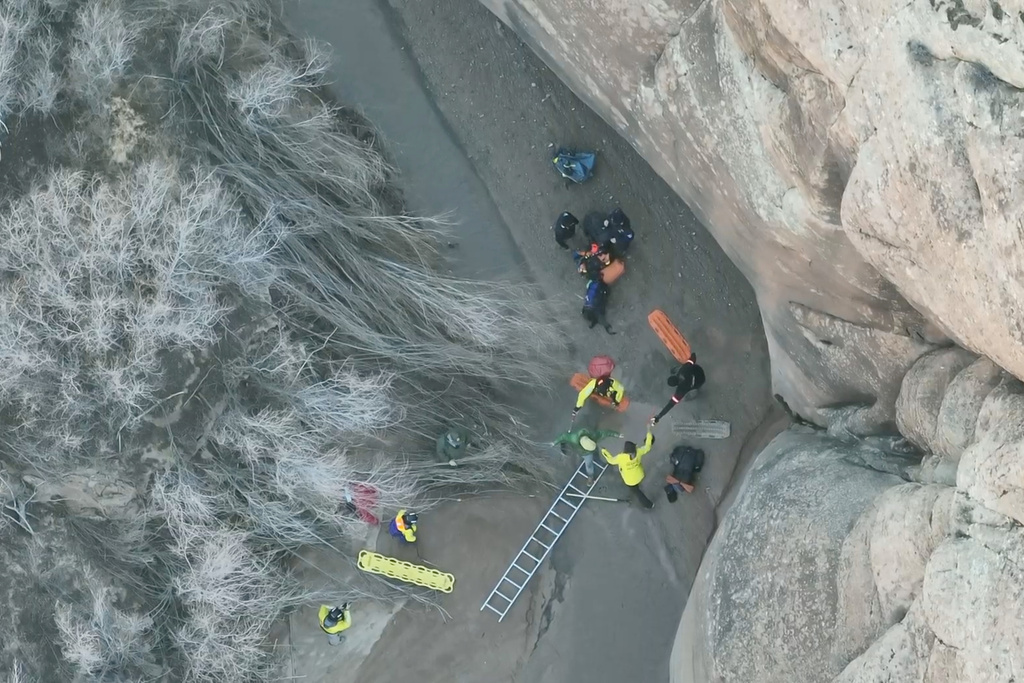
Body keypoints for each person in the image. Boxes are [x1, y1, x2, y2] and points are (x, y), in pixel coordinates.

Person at [601, 427, 655, 509]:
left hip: (630, 480)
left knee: (637, 492)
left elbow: (611, 460)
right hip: (640, 474)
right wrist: (649, 433)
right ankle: (648, 504)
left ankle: (649, 505)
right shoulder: (639, 452)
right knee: (636, 488)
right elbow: (647, 447)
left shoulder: (621, 457)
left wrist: (604, 451)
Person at [553, 426, 621, 484]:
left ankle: (590, 476)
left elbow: (604, 433)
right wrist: (554, 442)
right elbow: (563, 436)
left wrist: (616, 434)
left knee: (589, 464)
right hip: (578, 450)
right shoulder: (573, 438)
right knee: (572, 454)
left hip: (587, 454)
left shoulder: (593, 435)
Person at [652, 354, 706, 424]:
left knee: (689, 393)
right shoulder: (683, 369)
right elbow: (692, 360)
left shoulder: (681, 390)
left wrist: (659, 416)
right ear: (675, 376)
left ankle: (699, 392)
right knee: (678, 368)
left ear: (675, 385)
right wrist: (692, 355)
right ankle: (674, 369)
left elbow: (670, 405)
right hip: (699, 370)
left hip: (701, 381)